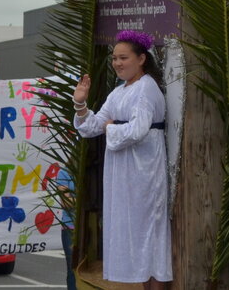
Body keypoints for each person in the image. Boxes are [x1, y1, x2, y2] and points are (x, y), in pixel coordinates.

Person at [73, 30, 172, 288]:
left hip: (144, 172)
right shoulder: (119, 92)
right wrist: (81, 105)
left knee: (148, 233)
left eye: (123, 57)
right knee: (133, 234)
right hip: (123, 174)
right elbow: (90, 127)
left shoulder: (146, 88)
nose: (117, 63)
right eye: (115, 58)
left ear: (141, 59)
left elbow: (138, 130)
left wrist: (110, 127)